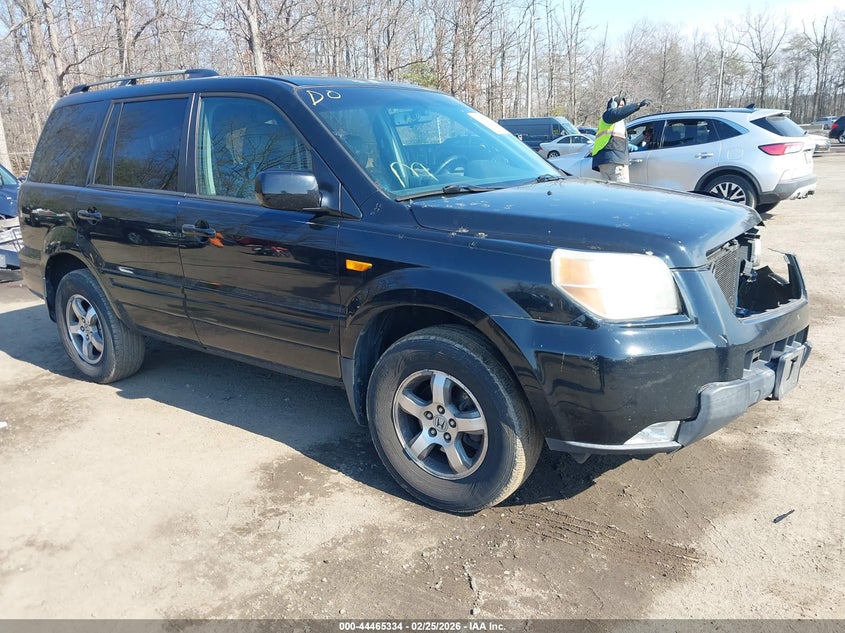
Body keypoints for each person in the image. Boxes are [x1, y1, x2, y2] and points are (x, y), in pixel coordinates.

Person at [591, 96, 651, 182]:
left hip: (605, 161)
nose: (622, 108)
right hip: (614, 162)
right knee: (622, 193)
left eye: (623, 105)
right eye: (620, 105)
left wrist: (642, 149)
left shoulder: (613, 122)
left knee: (609, 194)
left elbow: (622, 144)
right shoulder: (608, 115)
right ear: (613, 105)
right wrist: (637, 105)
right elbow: (616, 113)